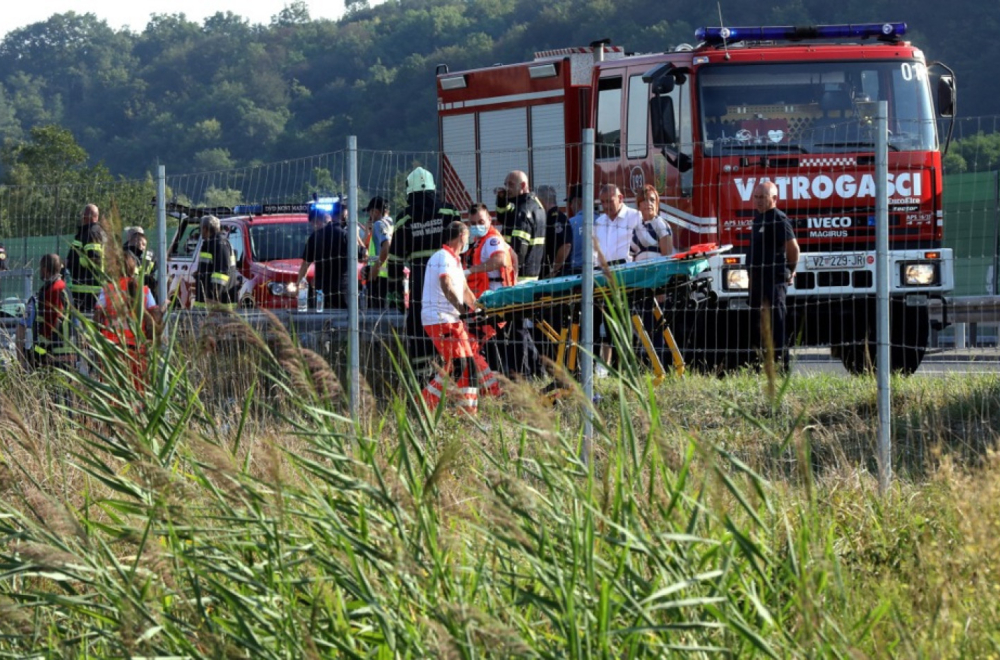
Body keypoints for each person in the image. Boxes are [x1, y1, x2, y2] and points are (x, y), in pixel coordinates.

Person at [387, 166, 462, 373]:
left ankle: (423, 382)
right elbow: (462, 246)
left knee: (420, 331)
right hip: (447, 279)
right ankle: (452, 376)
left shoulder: (404, 218)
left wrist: (394, 291)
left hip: (420, 283)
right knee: (450, 325)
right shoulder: (449, 212)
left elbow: (394, 261)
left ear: (409, 190)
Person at [419, 221, 482, 415]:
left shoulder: (454, 260)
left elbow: (464, 290)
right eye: (468, 235)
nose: (469, 239)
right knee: (462, 365)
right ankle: (428, 405)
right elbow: (446, 285)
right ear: (462, 236)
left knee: (462, 365)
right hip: (440, 319)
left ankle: (429, 404)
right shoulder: (443, 257)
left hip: (450, 319)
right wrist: (463, 311)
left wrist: (479, 309)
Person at [747, 180, 800, 371]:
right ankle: (758, 364)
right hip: (758, 283)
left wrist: (790, 271)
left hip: (774, 280)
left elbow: (793, 248)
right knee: (757, 325)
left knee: (777, 323)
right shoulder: (758, 219)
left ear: (775, 198)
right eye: (756, 197)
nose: (759, 201)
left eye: (763, 197)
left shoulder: (779, 218)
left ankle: (781, 366)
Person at [94, 251, 162, 390]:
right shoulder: (144, 291)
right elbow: (155, 318)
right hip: (137, 350)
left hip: (112, 349)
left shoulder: (107, 290)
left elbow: (97, 318)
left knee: (112, 393)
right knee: (139, 392)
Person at [593, 184, 643, 371]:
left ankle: (634, 366)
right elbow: (595, 252)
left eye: (610, 201)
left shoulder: (634, 217)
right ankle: (616, 370)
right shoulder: (599, 222)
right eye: (603, 202)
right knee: (610, 325)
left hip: (628, 275)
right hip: (605, 276)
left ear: (620, 198)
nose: (606, 206)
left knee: (629, 324)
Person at [19, 254, 73, 368]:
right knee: (31, 354)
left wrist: (46, 347)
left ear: (45, 269)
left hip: (54, 349)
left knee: (29, 356)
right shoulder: (63, 288)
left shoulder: (54, 289)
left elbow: (57, 320)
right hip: (63, 347)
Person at [297, 205, 349, 309]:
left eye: (313, 225)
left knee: (322, 318)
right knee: (344, 318)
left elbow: (305, 264)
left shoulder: (315, 237)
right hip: (343, 287)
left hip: (322, 288)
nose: (314, 228)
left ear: (317, 222)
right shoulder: (344, 234)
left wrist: (298, 285)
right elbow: (362, 255)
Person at [65, 203, 108, 313]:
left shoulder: (91, 233)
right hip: (88, 288)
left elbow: (95, 259)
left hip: (87, 290)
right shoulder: (95, 232)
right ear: (96, 216)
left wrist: (74, 262)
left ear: (85, 216)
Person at [194, 215, 238, 309]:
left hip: (219, 303)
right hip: (211, 301)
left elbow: (222, 273)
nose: (200, 232)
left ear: (205, 229)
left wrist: (214, 295)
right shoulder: (212, 243)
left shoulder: (219, 244)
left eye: (200, 229)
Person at [630, 185, 674, 261]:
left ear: (657, 204)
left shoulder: (660, 224)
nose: (649, 203)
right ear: (639, 205)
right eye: (645, 200)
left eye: (652, 200)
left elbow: (667, 257)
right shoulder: (636, 227)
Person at [364, 196, 394, 308]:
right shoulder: (391, 224)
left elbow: (386, 247)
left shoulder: (379, 224)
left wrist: (374, 270)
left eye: (370, 213)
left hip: (379, 276)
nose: (369, 217)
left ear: (376, 212)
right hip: (389, 273)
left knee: (376, 313)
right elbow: (377, 253)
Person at [537, 184, 570, 279]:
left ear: (541, 200)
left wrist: (554, 271)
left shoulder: (556, 219)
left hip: (558, 277)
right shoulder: (549, 218)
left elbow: (565, 246)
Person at [556, 184, 585, 277]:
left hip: (575, 273)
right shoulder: (600, 220)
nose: (571, 206)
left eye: (571, 203)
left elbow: (566, 247)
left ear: (578, 202)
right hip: (598, 272)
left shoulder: (571, 223)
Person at [124, 226, 159, 294]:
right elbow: (156, 272)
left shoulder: (125, 252)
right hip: (149, 290)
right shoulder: (151, 253)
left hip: (131, 290)